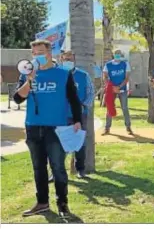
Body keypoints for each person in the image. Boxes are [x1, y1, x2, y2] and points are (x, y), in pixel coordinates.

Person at [14, 40, 82, 218]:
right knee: (38, 167)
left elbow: (74, 99)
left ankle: (63, 204)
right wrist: (29, 80)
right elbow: (17, 98)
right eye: (34, 53)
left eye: (41, 52)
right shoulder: (26, 74)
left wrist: (77, 120)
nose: (37, 56)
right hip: (33, 127)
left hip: (56, 128)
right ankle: (42, 202)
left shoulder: (63, 74)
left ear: (50, 53)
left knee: (58, 167)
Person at [60, 50, 95, 178]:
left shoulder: (83, 75)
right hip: (60, 115)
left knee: (80, 142)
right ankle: (56, 171)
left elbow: (91, 92)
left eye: (70, 58)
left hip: (79, 115)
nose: (68, 61)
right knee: (59, 143)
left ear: (74, 59)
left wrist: (83, 105)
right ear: (61, 59)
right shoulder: (58, 74)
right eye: (65, 58)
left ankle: (80, 169)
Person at [102, 50, 133, 135]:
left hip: (122, 89)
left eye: (119, 54)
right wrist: (111, 87)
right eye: (116, 54)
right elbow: (105, 76)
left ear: (121, 55)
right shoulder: (108, 65)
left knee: (124, 108)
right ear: (113, 55)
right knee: (110, 107)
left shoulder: (125, 64)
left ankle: (128, 127)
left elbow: (126, 78)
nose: (117, 55)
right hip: (111, 89)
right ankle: (107, 128)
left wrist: (119, 87)